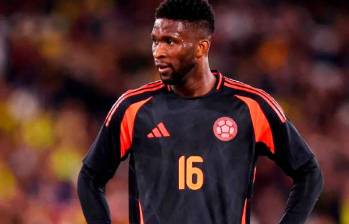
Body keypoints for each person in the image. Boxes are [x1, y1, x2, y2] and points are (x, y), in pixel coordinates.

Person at [77, 0, 323, 223]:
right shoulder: (133, 108)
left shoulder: (251, 105)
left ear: (201, 48)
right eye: (155, 40)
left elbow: (308, 173)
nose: (158, 52)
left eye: (170, 41)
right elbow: (89, 177)